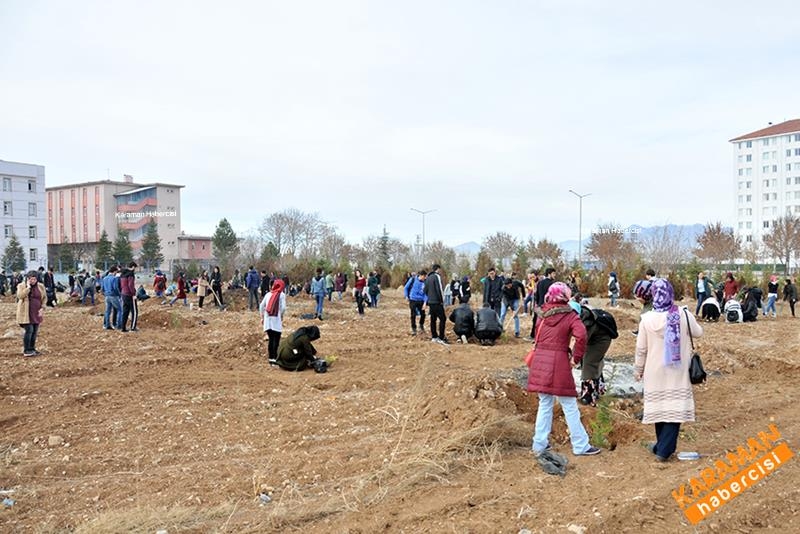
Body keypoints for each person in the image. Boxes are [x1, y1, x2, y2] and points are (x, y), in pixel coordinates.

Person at [527, 282, 600, 456]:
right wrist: (575, 358)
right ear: (566, 296)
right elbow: (581, 336)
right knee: (568, 405)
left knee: (545, 403)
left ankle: (539, 444)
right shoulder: (570, 315)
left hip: (540, 360)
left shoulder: (541, 313)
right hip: (559, 361)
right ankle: (580, 445)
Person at [634, 278, 702, 462]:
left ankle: (660, 446)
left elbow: (641, 349)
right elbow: (698, 333)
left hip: (653, 371)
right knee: (674, 408)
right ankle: (663, 451)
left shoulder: (646, 319)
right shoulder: (682, 314)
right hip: (676, 369)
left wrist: (638, 369)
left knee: (660, 408)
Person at [578, 304, 616, 406]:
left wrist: (574, 357)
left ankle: (589, 396)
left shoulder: (587, 322)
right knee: (588, 361)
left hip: (602, 340)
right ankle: (599, 389)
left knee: (589, 363)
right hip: (594, 338)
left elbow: (581, 342)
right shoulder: (581, 317)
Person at [17, 270, 44, 357]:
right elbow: (20, 296)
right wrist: (28, 288)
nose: (32, 281)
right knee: (29, 330)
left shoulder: (40, 286)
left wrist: (42, 308)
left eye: (34, 279)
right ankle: (26, 350)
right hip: (26, 313)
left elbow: (44, 298)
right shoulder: (21, 286)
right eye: (30, 279)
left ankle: (32, 349)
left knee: (35, 331)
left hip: (36, 312)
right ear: (27, 279)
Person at [260, 279, 286, 364]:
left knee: (271, 339)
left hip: (267, 320)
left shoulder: (268, 294)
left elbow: (261, 306)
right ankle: (275, 358)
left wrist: (262, 317)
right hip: (276, 320)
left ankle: (270, 358)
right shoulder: (281, 295)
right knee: (276, 339)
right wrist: (281, 315)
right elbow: (283, 308)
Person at [529, 268, 557, 340]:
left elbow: (537, 295)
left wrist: (537, 304)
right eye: (553, 273)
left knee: (537, 322)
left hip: (539, 305)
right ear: (549, 274)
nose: (555, 275)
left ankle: (534, 336)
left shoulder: (540, 282)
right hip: (548, 307)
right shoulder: (552, 284)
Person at [423, 263, 448, 344]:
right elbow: (440, 289)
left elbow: (425, 290)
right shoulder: (437, 276)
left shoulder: (428, 277)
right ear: (438, 269)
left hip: (430, 302)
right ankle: (441, 337)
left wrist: (429, 298)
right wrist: (442, 300)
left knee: (433, 319)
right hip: (437, 301)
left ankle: (434, 336)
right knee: (443, 319)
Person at [403, 270, 428, 336]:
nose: (425, 278)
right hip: (413, 299)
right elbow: (406, 288)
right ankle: (414, 328)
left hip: (421, 300)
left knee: (423, 314)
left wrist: (425, 302)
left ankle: (421, 325)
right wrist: (406, 296)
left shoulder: (425, 282)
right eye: (424, 276)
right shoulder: (413, 280)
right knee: (413, 314)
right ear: (421, 276)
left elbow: (426, 293)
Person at [102, 266, 123, 330]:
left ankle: (107, 325)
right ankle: (119, 325)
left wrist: (105, 294)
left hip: (107, 296)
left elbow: (102, 288)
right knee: (120, 310)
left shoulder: (104, 278)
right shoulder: (114, 278)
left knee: (107, 311)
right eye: (116, 272)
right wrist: (119, 295)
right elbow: (115, 288)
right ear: (114, 271)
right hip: (113, 296)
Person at [120, 261, 138, 332]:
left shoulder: (122, 274)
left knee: (125, 311)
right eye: (135, 268)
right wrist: (133, 294)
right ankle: (133, 328)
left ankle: (123, 328)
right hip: (129, 295)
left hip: (123, 294)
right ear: (133, 267)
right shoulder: (131, 274)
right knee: (135, 311)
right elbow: (130, 285)